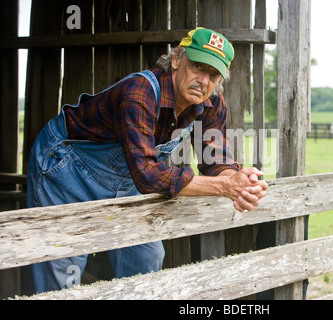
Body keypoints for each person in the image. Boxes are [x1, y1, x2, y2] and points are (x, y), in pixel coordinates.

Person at [27, 27, 268, 293]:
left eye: (213, 74)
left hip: (125, 177)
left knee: (146, 257)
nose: (203, 80)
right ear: (177, 60)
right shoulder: (139, 91)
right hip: (66, 168)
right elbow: (147, 175)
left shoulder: (211, 104)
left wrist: (238, 182)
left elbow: (216, 160)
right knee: (66, 268)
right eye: (197, 67)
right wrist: (225, 187)